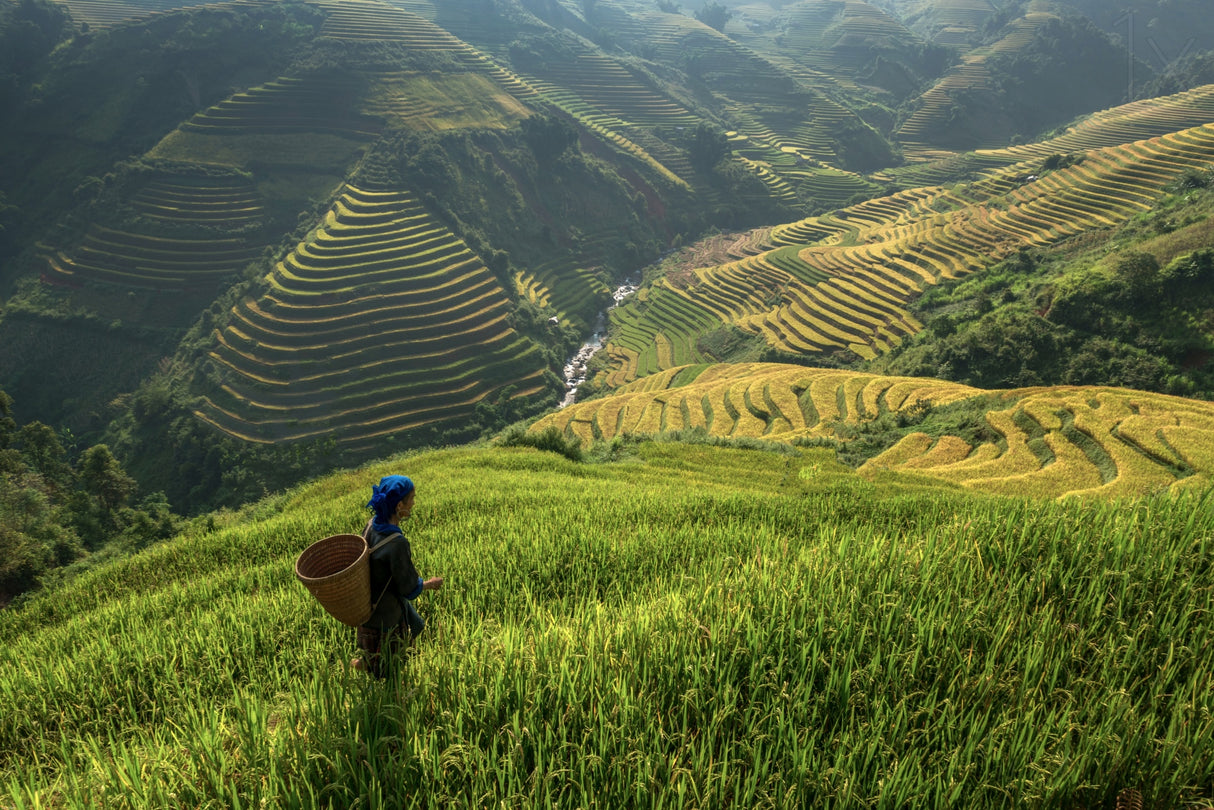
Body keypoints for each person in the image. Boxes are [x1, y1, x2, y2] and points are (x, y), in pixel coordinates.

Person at [352, 474, 443, 679]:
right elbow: (409, 589)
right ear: (400, 505)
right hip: (387, 615)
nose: (414, 503)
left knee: (373, 655)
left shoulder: (371, 524)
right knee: (391, 669)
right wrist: (430, 584)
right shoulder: (397, 543)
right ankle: (390, 694)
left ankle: (364, 665)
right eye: (412, 499)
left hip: (366, 609)